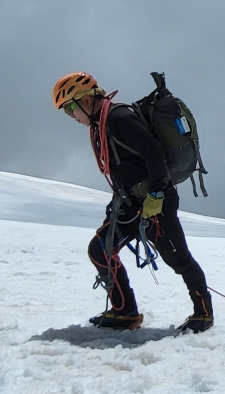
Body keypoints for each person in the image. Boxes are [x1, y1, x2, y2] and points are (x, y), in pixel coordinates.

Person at [53, 72, 214, 332]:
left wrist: (157, 195)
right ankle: (124, 312)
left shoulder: (118, 118)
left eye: (70, 107)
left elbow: (154, 153)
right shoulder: (101, 124)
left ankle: (203, 313)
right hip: (129, 204)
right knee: (100, 249)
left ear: (86, 99)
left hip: (154, 202)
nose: (71, 115)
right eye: (65, 111)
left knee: (178, 258)